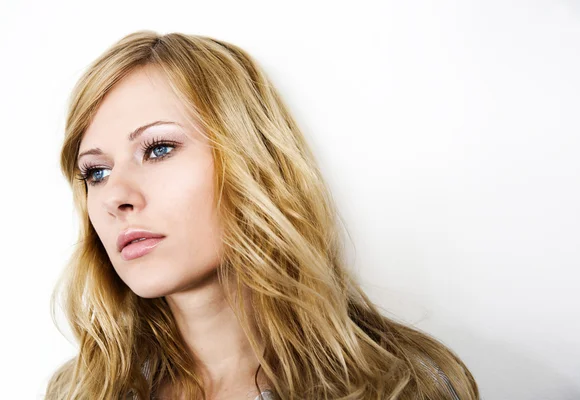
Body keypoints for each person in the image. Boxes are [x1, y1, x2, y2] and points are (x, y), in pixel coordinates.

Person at [45, 30, 480, 400]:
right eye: (95, 172)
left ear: (251, 162)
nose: (114, 196)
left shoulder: (398, 383)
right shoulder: (82, 390)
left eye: (158, 149)